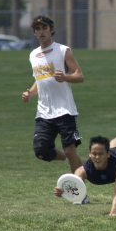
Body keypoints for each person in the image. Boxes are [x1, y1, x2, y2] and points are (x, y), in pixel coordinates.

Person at [22, 15, 84, 173]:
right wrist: (30, 93)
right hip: (44, 112)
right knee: (41, 151)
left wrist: (65, 77)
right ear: (34, 33)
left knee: (71, 151)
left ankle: (79, 191)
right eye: (37, 29)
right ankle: (67, 159)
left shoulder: (63, 50)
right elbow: (40, 79)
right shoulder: (33, 55)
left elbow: (79, 76)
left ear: (51, 30)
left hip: (65, 110)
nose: (41, 31)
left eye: (44, 28)